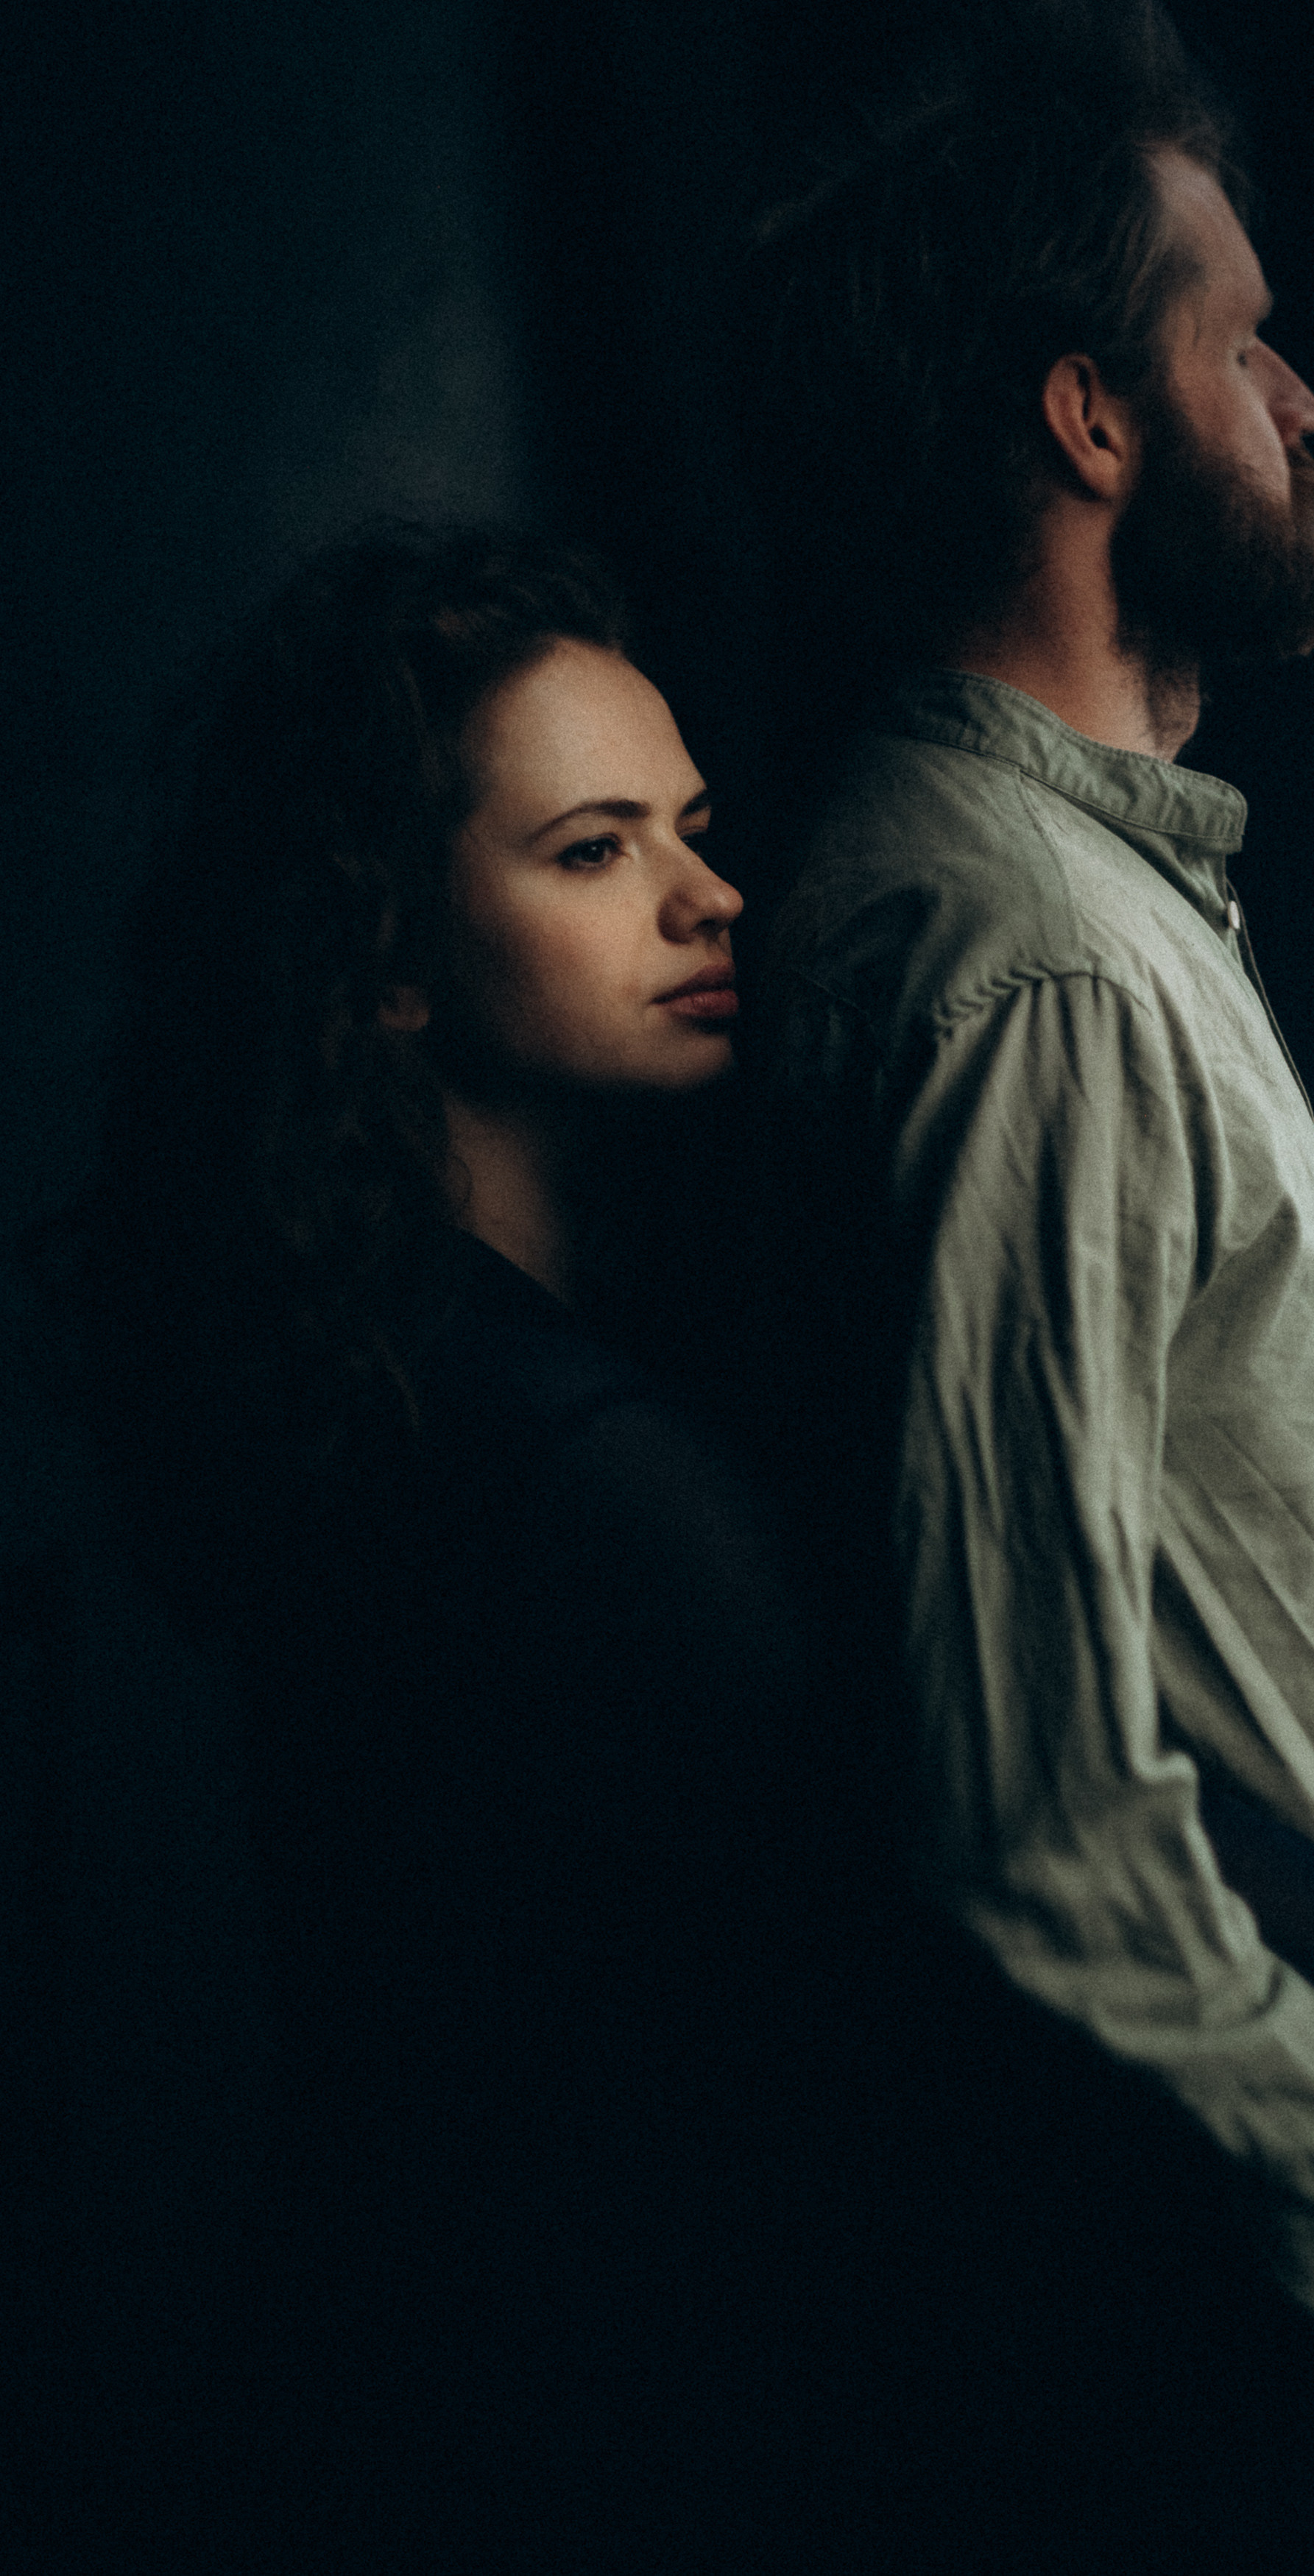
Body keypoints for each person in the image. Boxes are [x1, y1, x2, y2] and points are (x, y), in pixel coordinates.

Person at [741, 9, 1314, 2558]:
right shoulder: (1032, 965)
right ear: (1088, 421)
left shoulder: (1090, 905)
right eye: (1241, 340)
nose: (1307, 396)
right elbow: (1033, 1806)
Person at [28, 528, 847, 2569]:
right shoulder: (582, 1473)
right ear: (386, 953)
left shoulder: (373, 1350)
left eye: (697, 825)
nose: (709, 891)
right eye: (591, 848)